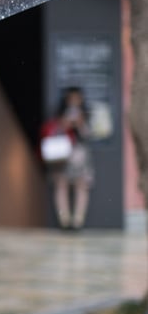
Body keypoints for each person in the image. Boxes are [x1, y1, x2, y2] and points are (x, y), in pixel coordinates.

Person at [42, 86, 94, 230]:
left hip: (80, 155)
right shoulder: (59, 115)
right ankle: (64, 220)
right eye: (71, 98)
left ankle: (78, 220)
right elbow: (53, 132)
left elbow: (89, 135)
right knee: (61, 185)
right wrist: (64, 124)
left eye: (77, 98)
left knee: (81, 186)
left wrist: (80, 123)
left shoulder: (85, 114)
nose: (74, 101)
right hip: (62, 155)